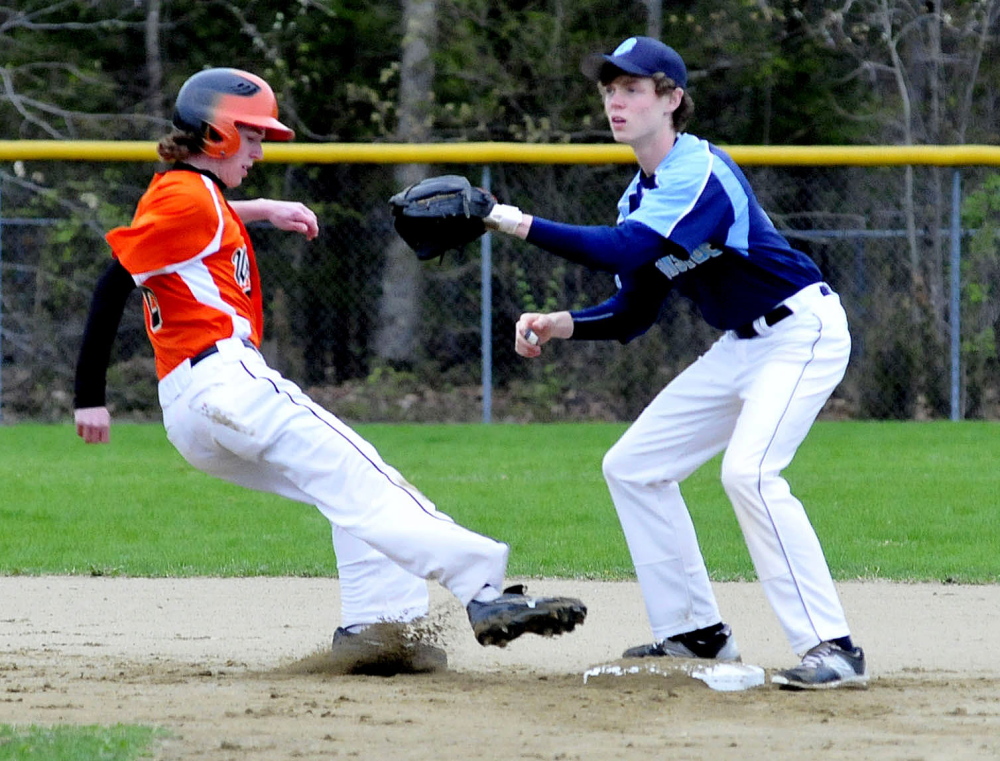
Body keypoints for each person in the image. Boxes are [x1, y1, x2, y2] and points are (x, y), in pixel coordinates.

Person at [73, 67, 585, 675]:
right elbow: (112, 283)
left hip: (191, 407)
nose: (260, 151)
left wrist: (260, 209)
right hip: (226, 381)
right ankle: (484, 591)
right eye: (252, 137)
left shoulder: (192, 199)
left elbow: (202, 223)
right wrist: (89, 396)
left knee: (344, 491)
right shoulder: (187, 197)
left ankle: (379, 628)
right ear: (215, 133)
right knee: (364, 478)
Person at [484, 37, 867, 690]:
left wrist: (513, 220)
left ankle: (833, 647)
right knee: (634, 467)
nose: (615, 100)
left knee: (749, 472)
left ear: (672, 99)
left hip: (801, 331)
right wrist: (562, 325)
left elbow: (623, 249)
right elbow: (633, 310)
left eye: (633, 88)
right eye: (608, 89)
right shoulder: (639, 197)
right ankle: (696, 632)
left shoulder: (702, 173)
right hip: (737, 348)